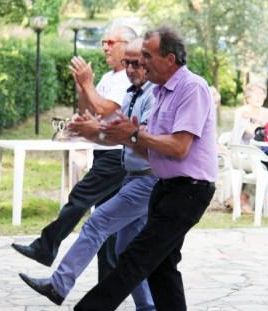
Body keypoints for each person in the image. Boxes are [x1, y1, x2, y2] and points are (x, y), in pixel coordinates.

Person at [71, 26, 216, 311]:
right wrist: (98, 132)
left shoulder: (192, 88)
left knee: (135, 258)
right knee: (162, 267)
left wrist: (133, 135)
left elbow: (179, 146)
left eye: (147, 56)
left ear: (170, 59)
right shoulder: (160, 91)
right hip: (165, 188)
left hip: (189, 192)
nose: (141, 62)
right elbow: (145, 146)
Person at [19, 38, 156, 311]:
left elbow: (139, 139)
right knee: (125, 250)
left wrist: (98, 117)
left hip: (147, 178)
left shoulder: (154, 95)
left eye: (136, 64)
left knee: (96, 222)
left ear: (149, 63)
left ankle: (58, 284)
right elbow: (112, 132)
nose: (129, 68)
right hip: (131, 173)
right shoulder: (131, 93)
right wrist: (90, 129)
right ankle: (148, 305)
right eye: (127, 63)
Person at [230, 81, 268, 212]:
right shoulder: (241, 112)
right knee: (263, 162)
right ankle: (243, 197)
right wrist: (263, 124)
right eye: (255, 94)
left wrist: (261, 124)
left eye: (262, 94)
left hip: (260, 153)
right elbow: (252, 132)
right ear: (247, 97)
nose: (259, 97)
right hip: (240, 154)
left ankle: (239, 197)